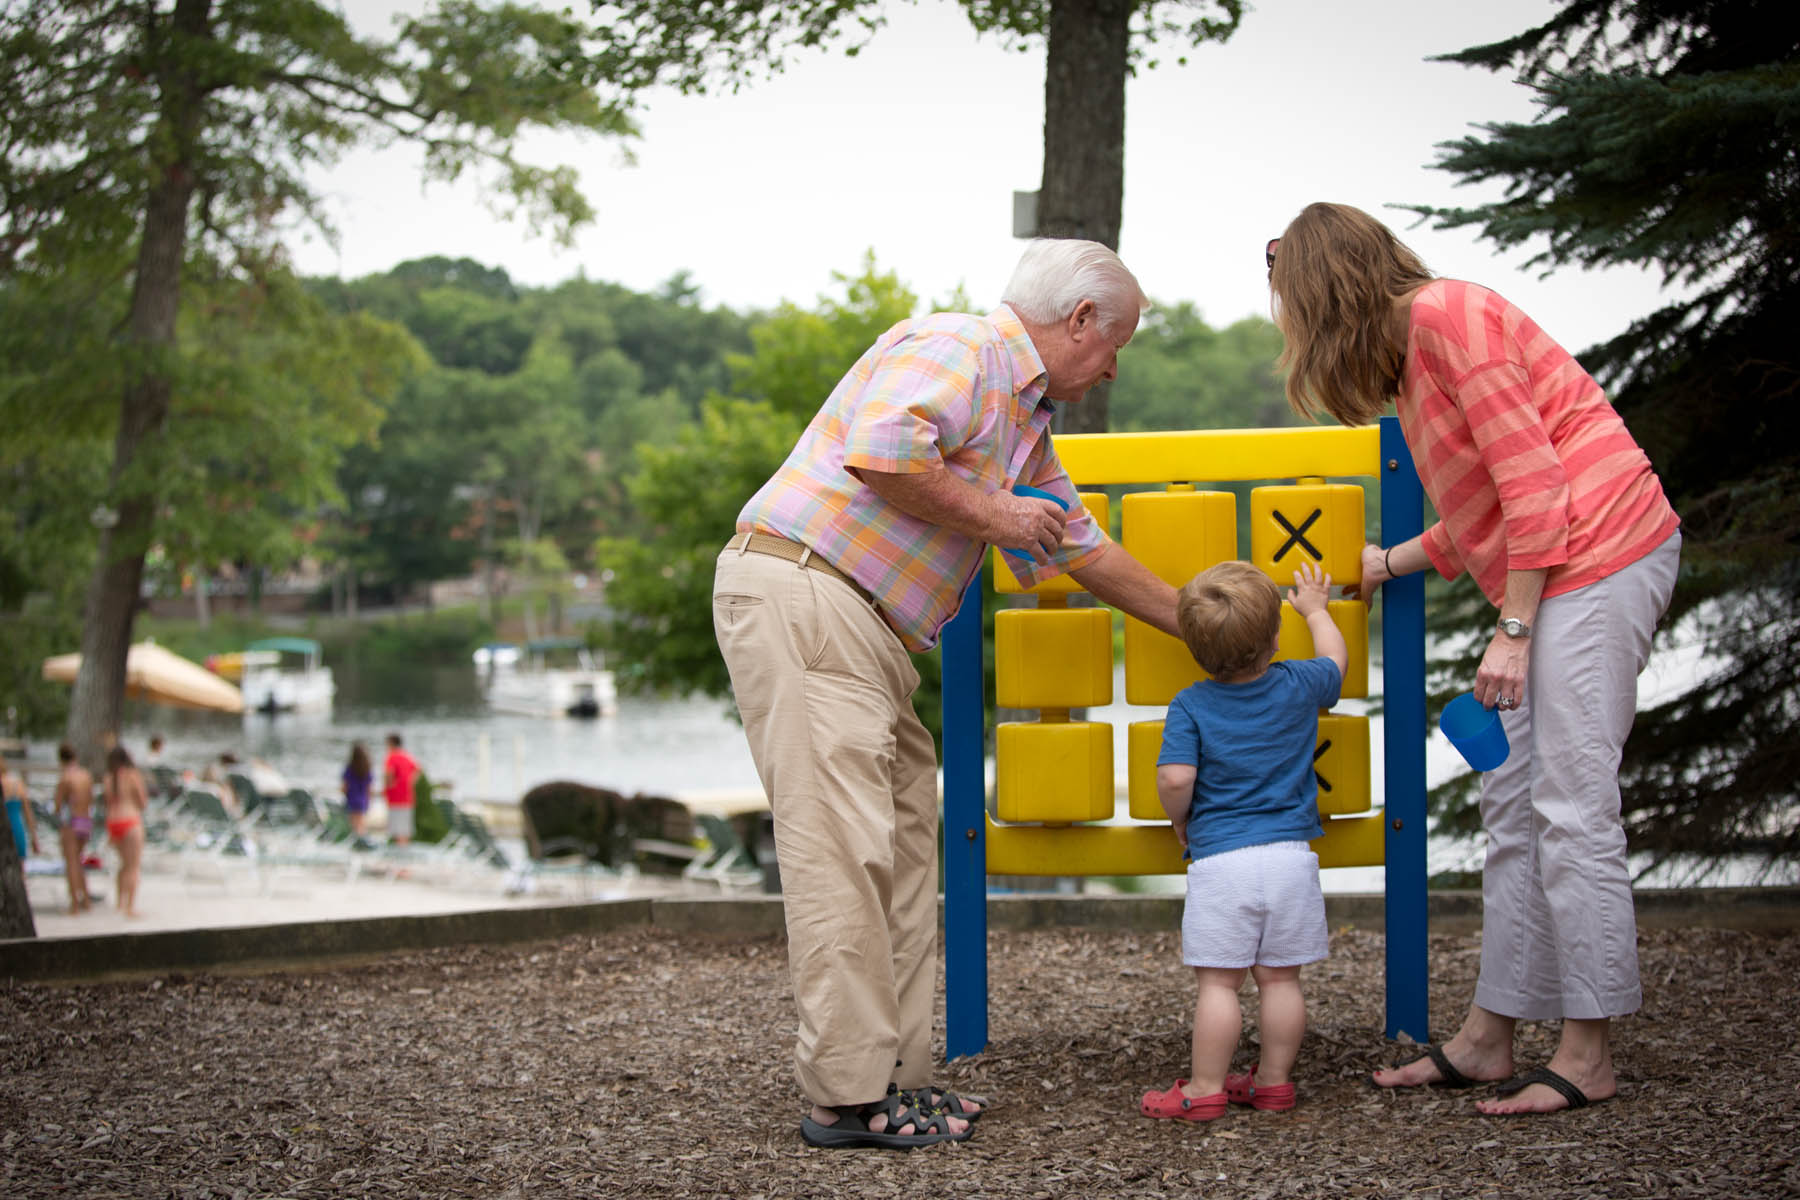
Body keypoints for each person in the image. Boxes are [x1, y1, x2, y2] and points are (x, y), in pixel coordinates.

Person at [713, 238, 1186, 1149]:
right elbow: (882, 452)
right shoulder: (963, 348)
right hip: (812, 596)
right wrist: (1001, 514)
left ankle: (897, 1077)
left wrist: (1206, 626)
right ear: (1078, 319)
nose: (1114, 364)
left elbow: (1084, 549)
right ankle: (845, 1099)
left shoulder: (1023, 421)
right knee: (844, 855)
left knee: (898, 850)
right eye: (1113, 341)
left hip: (861, 628)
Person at [1268, 202, 1682, 1116]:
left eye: (1291, 309)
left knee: (1572, 807)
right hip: (1555, 568)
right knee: (1512, 807)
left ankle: (1588, 1053)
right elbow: (1483, 503)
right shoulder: (1413, 358)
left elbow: (1535, 485)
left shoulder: (1450, 319)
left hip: (1603, 553)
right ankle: (1490, 1038)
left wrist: (1515, 629)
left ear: (1322, 292)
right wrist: (1388, 561)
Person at [1139, 561, 1347, 1122]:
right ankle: (1273, 1083)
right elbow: (1337, 662)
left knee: (1220, 984)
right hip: (1290, 859)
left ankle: (1205, 1088)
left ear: (1196, 649)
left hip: (1222, 860)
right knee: (1280, 979)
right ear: (1274, 637)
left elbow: (1176, 778)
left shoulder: (1191, 704)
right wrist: (1317, 608)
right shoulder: (1301, 684)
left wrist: (1179, 819)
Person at [103, 745, 150, 917]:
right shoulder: (132, 775)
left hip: (113, 822)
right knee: (133, 866)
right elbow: (142, 802)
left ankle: (119, 903)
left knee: (123, 865)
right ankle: (130, 907)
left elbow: (107, 802)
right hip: (130, 821)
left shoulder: (108, 777)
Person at [52, 743, 94, 913]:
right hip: (85, 819)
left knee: (71, 863)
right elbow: (91, 799)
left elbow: (57, 805)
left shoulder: (65, 778)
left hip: (71, 821)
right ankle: (86, 900)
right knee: (80, 860)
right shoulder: (86, 775)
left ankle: (74, 904)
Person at [382, 734, 419, 847]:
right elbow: (417, 771)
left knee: (397, 830)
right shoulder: (407, 756)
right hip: (407, 797)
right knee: (405, 830)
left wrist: (389, 786)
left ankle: (401, 855)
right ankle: (404, 851)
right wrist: (409, 784)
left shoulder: (391, 757)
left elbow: (389, 775)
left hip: (395, 798)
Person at [3, 756, 37, 863]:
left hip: (2, 828)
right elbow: (28, 813)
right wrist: (34, 838)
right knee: (20, 868)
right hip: (17, 827)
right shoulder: (17, 783)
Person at [342, 742, 373, 838]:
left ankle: (358, 841)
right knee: (361, 824)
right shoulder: (367, 768)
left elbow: (344, 787)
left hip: (352, 799)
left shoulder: (349, 769)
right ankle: (362, 840)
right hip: (362, 799)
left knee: (354, 824)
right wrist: (369, 800)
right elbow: (369, 789)